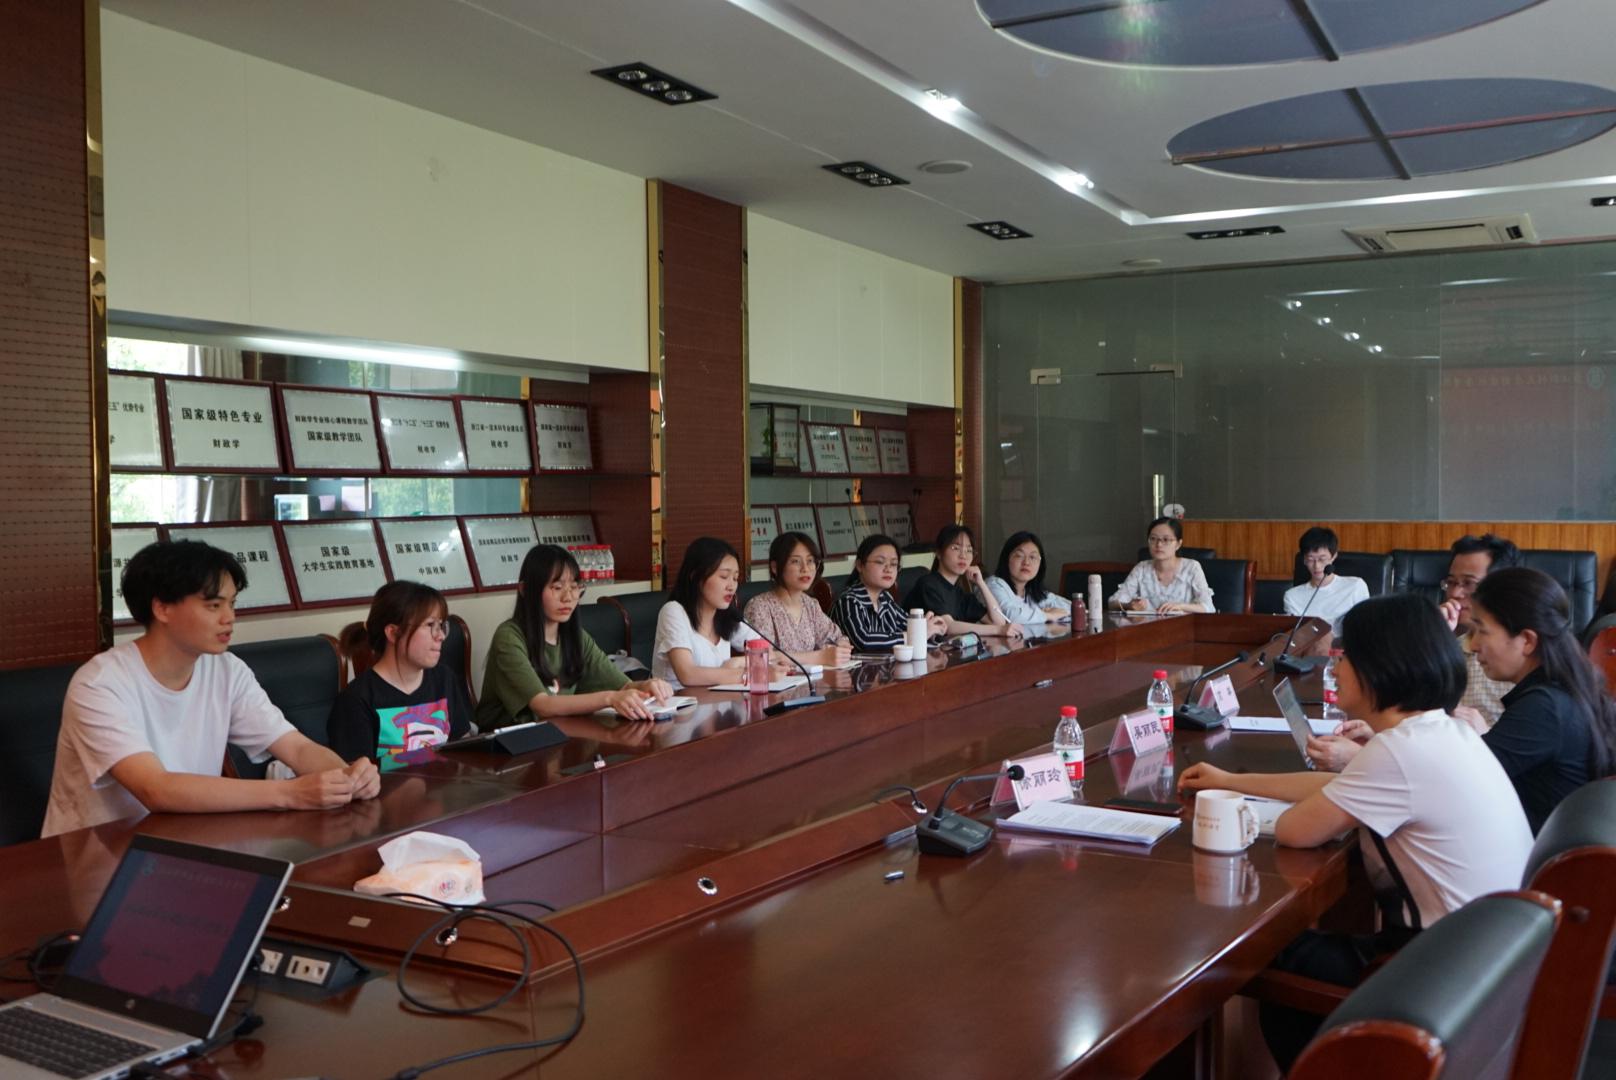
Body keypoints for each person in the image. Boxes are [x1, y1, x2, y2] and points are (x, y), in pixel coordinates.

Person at [1178, 593, 1533, 1071]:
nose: (1335, 666)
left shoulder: (1399, 752)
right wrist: (1230, 781)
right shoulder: (1441, 732)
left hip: (1438, 975)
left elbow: (1295, 831)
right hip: (1487, 964)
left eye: (1346, 657)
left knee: (1270, 954)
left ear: (1379, 669)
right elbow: (1342, 787)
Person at [42, 540, 380, 837]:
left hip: (184, 842)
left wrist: (347, 777)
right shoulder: (100, 683)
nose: (229, 617)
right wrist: (290, 793)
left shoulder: (226, 670)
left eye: (232, 604)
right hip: (93, 858)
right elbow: (156, 788)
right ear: (162, 608)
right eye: (214, 605)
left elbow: (296, 747)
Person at [1471, 567, 1616, 833]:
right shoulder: (1567, 688)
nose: (1473, 645)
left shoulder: (1545, 707)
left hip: (1538, 853)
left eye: (1482, 631)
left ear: (1527, 640)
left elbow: (1460, 781)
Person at [478, 544, 673, 726]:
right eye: (557, 588)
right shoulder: (509, 637)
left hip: (560, 733)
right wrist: (609, 698)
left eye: (574, 587)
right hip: (506, 743)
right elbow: (543, 705)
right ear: (525, 590)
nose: (568, 597)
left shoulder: (576, 637)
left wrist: (646, 686)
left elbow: (622, 686)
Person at [327, 581, 473, 767]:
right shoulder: (356, 699)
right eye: (430, 625)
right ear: (393, 633)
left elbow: (463, 748)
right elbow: (355, 776)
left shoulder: (444, 678)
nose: (441, 636)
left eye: (441, 625)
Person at [655, 537, 790, 689]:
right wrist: (754, 674)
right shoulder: (673, 611)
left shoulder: (728, 616)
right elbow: (688, 674)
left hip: (717, 701)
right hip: (679, 702)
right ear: (695, 576)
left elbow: (767, 651)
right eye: (724, 577)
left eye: (735, 578)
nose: (732, 586)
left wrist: (737, 662)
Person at [1439, 533, 1521, 728]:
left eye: (1468, 583)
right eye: (1451, 582)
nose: (1455, 593)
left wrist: (1484, 734)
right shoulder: (1448, 645)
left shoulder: (1520, 656)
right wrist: (1437, 637)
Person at [742, 532, 852, 666]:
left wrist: (841, 647)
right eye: (795, 561)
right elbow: (762, 658)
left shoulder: (810, 604)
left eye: (810, 561)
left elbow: (838, 638)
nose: (805, 569)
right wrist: (820, 657)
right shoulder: (759, 607)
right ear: (775, 567)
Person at [902, 524, 1021, 639]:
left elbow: (998, 621)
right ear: (939, 553)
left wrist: (981, 583)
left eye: (969, 550)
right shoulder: (928, 584)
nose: (963, 556)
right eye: (955, 548)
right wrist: (998, 630)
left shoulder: (960, 593)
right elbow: (948, 626)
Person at [833, 534, 946, 652]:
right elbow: (864, 641)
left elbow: (908, 624)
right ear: (860, 565)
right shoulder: (848, 601)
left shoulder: (885, 598)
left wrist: (931, 627)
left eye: (893, 564)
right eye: (880, 562)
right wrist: (918, 634)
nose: (888, 569)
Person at [1109, 517, 1213, 614]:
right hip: (1148, 626)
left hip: (1183, 625)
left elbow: (1208, 608)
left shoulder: (1192, 567)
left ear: (1178, 544)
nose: (1158, 544)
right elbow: (1112, 603)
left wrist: (1180, 606)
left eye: (1166, 540)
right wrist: (1129, 606)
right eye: (1153, 539)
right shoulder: (1142, 568)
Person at [1282, 526, 1368, 638]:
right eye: (1310, 559)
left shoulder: (1355, 586)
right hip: (1310, 645)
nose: (1317, 566)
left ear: (1334, 556)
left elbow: (1365, 626)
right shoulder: (1292, 596)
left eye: (1322, 559)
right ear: (1304, 559)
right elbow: (1297, 637)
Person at [985, 531, 1071, 625]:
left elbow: (1073, 608)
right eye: (1019, 555)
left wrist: (1050, 614)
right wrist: (1048, 615)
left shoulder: (1031, 592)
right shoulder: (993, 585)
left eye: (1032, 557)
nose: (1026, 562)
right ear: (1006, 559)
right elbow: (1012, 616)